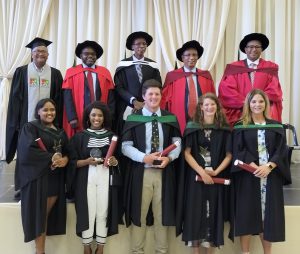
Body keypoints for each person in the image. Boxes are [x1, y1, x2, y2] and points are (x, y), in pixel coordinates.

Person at [122, 79, 181, 254]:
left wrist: (169, 158)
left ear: (161, 96)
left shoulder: (170, 118)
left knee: (162, 216)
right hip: (142, 173)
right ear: (144, 96)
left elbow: (177, 143)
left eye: (157, 94)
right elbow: (125, 146)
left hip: (164, 173)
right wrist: (144, 157)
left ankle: (161, 251)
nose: (154, 97)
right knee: (138, 215)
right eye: (150, 94)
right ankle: (136, 251)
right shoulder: (133, 118)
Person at [231, 89, 291, 254]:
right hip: (248, 175)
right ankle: (245, 252)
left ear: (266, 104)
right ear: (248, 104)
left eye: (261, 101)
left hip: (270, 177)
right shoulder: (240, 126)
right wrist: (253, 165)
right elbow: (238, 148)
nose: (257, 105)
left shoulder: (276, 126)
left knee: (268, 217)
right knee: (247, 214)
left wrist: (269, 166)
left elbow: (281, 150)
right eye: (254, 102)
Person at [176, 93, 232, 254]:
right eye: (206, 105)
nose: (209, 107)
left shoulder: (224, 128)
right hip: (196, 178)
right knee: (195, 214)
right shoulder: (193, 127)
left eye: (212, 104)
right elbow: (187, 153)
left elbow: (229, 155)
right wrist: (202, 172)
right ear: (201, 107)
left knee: (213, 214)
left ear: (217, 107)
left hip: (217, 178)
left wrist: (216, 172)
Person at [16, 98, 70, 254]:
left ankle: (40, 251)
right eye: (45, 110)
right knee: (40, 217)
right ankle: (40, 252)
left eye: (52, 109)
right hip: (38, 179)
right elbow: (27, 151)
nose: (49, 113)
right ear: (38, 111)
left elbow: (67, 151)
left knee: (44, 216)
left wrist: (65, 159)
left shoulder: (60, 131)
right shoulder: (31, 128)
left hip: (55, 178)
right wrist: (50, 158)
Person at [69, 101, 120, 254]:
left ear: (104, 118)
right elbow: (72, 162)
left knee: (103, 211)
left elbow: (119, 160)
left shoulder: (112, 137)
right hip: (87, 177)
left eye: (100, 115)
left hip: (105, 175)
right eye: (93, 115)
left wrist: (114, 161)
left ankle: (100, 247)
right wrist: (86, 161)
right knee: (88, 211)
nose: (96, 118)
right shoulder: (79, 137)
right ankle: (86, 247)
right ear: (88, 117)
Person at [6, 37, 63, 164]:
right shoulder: (21, 72)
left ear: (48, 55)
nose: (40, 54)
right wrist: (16, 122)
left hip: (48, 124)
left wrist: (57, 123)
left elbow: (59, 101)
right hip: (26, 123)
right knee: (26, 155)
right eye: (37, 51)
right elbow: (15, 100)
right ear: (32, 54)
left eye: (43, 51)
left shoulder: (55, 74)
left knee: (46, 154)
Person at [218, 33, 283, 126]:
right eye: (250, 46)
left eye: (257, 47)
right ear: (245, 49)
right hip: (239, 114)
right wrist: (248, 103)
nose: (254, 49)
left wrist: (257, 104)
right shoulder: (233, 68)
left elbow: (274, 90)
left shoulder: (270, 67)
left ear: (262, 49)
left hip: (262, 113)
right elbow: (226, 91)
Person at [161, 40, 215, 134]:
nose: (192, 57)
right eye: (188, 55)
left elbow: (213, 98)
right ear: (182, 57)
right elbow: (163, 101)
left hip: (202, 117)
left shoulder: (205, 76)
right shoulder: (172, 76)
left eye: (194, 55)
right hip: (179, 117)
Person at [63, 40, 115, 138]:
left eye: (93, 54)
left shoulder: (105, 72)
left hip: (99, 116)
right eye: (86, 54)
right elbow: (67, 97)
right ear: (80, 56)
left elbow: (111, 97)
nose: (90, 56)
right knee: (79, 140)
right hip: (78, 114)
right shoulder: (71, 72)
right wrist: (71, 117)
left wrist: (110, 116)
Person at [114, 31, 162, 135]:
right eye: (138, 44)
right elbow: (119, 87)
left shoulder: (152, 65)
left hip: (148, 105)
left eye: (144, 44)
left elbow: (158, 86)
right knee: (129, 134)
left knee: (146, 133)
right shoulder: (123, 65)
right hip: (128, 106)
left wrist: (146, 102)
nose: (141, 46)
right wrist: (134, 101)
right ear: (132, 46)